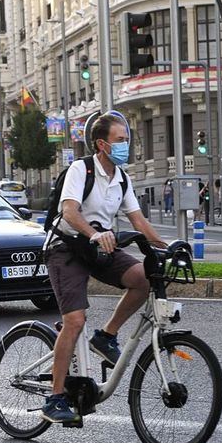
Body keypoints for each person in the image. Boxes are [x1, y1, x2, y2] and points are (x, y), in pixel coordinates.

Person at [41, 114, 168, 424]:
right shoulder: (80, 169)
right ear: (102, 144)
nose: (126, 145)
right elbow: (69, 212)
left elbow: (138, 220)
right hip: (65, 248)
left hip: (98, 248)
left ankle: (106, 336)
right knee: (74, 320)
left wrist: (169, 246)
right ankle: (55, 398)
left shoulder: (121, 177)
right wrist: (95, 232)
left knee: (142, 278)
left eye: (127, 139)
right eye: (121, 140)